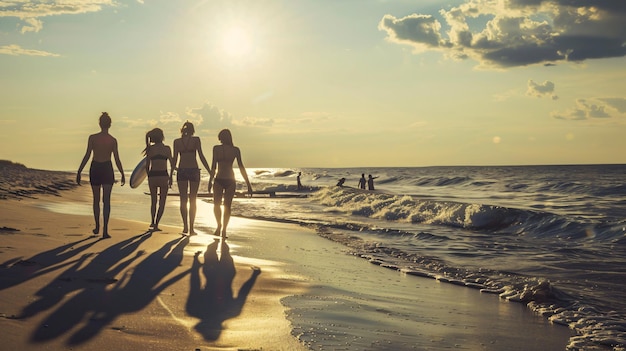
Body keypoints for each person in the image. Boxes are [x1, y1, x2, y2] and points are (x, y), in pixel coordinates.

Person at [76, 112, 125, 239]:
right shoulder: (113, 140)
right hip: (107, 168)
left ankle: (97, 226)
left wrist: (80, 171)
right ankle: (105, 230)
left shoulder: (92, 138)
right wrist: (122, 173)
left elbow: (87, 155)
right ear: (110, 125)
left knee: (96, 200)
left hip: (96, 167)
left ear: (99, 124)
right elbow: (117, 159)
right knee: (106, 201)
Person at [208, 129, 252, 238]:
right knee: (221, 205)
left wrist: (248, 184)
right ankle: (220, 227)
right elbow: (213, 166)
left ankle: (222, 229)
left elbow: (241, 166)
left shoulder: (229, 149)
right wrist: (210, 180)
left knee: (222, 205)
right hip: (224, 180)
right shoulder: (230, 149)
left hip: (225, 180)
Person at [172, 121, 211, 235]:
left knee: (183, 199)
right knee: (193, 199)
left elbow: (174, 159)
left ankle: (185, 226)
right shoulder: (196, 140)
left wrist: (171, 174)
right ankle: (192, 228)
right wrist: (209, 170)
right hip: (194, 170)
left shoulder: (177, 142)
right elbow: (201, 155)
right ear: (192, 130)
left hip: (182, 170)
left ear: (182, 130)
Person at [144, 128, 173, 231]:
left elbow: (147, 166)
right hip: (163, 175)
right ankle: (156, 224)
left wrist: (149, 176)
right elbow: (172, 163)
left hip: (153, 175)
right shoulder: (167, 149)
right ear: (162, 137)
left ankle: (152, 221)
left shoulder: (150, 149)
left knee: (153, 201)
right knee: (162, 202)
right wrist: (171, 177)